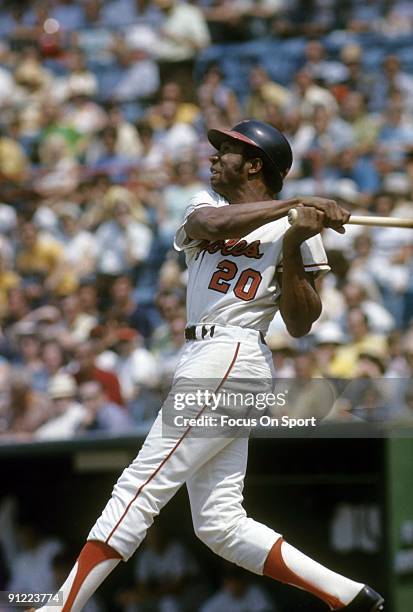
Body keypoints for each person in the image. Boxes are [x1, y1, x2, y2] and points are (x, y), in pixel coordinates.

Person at [30, 120, 384, 612]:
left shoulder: (298, 228)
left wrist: (292, 242)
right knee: (219, 522)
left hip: (234, 351)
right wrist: (292, 207)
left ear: (255, 163)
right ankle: (347, 596)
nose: (214, 156)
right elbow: (209, 228)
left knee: (139, 486)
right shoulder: (207, 203)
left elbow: (301, 323)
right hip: (205, 354)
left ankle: (58, 607)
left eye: (227, 150)